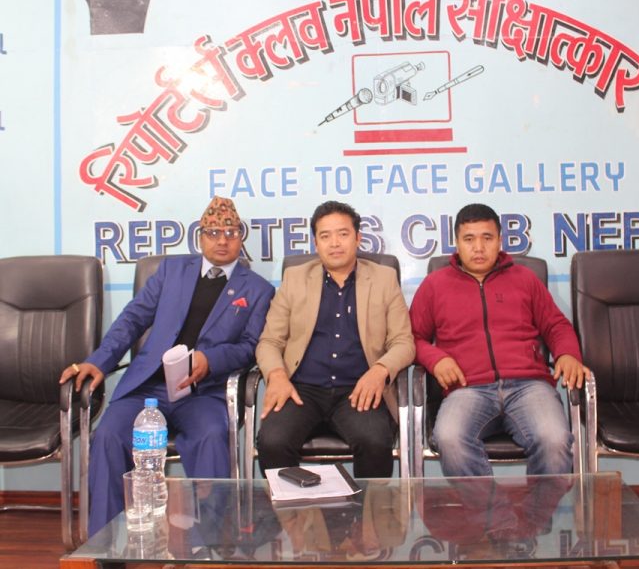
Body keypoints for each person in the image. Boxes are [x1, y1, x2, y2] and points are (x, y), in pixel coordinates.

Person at [59, 196, 275, 536]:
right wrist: (99, 361)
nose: (222, 240)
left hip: (204, 393)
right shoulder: (172, 271)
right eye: (213, 232)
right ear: (200, 237)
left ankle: (213, 545)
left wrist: (211, 359)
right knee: (109, 436)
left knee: (211, 436)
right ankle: (105, 544)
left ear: (241, 237)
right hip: (149, 388)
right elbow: (133, 319)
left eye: (231, 232)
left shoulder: (258, 289)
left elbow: (250, 347)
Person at [409, 203, 588, 477]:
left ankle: (537, 509)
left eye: (487, 238)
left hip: (528, 387)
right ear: (456, 243)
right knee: (449, 439)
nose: (478, 248)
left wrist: (567, 354)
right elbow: (412, 337)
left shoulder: (524, 279)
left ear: (500, 241)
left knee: (554, 440)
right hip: (467, 388)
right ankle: (489, 508)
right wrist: (436, 359)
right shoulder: (435, 284)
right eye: (469, 239)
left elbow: (556, 325)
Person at [255, 200, 415, 478]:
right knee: (273, 441)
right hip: (301, 389)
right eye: (325, 236)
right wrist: (277, 375)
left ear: (358, 238)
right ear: (316, 243)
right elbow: (269, 342)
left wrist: (380, 371)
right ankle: (293, 506)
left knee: (375, 442)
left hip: (358, 389)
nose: (335, 243)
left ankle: (368, 508)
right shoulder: (295, 278)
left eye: (343, 234)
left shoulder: (384, 278)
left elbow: (404, 342)